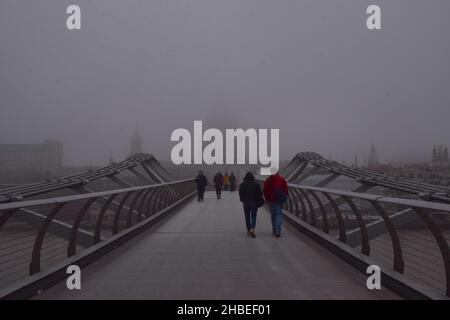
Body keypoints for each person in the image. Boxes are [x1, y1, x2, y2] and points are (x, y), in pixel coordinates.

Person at [263, 169, 288, 237]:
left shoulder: (267, 180)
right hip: (279, 200)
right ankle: (278, 230)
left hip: (271, 200)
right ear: (277, 172)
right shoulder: (281, 179)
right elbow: (285, 189)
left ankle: (274, 229)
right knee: (278, 215)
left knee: (273, 215)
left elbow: (264, 190)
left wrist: (267, 198)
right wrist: (284, 198)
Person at [239, 172, 264, 238]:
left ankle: (248, 229)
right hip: (254, 202)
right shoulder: (256, 184)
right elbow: (260, 193)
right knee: (253, 216)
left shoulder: (242, 184)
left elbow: (240, 193)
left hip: (246, 202)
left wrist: (242, 199)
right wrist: (259, 200)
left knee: (247, 216)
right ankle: (252, 228)